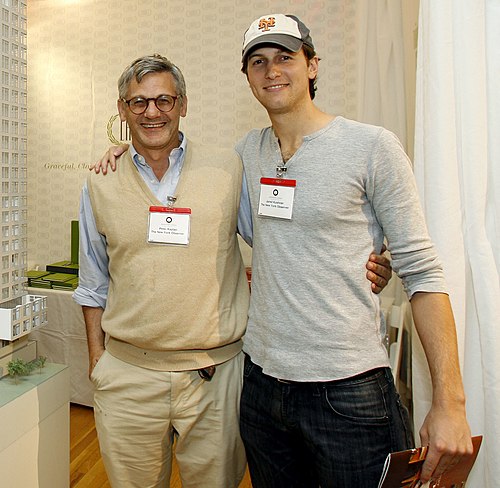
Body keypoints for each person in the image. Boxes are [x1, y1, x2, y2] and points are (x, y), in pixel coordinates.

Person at [76, 53, 392, 488]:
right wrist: (98, 361)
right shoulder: (100, 181)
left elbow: (279, 237)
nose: (152, 112)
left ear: (183, 105)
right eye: (139, 103)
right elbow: (92, 283)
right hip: (129, 376)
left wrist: (368, 258)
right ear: (122, 109)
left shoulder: (229, 169)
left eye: (164, 100)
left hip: (216, 379)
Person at [234, 13, 473, 488]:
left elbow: (423, 272)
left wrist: (451, 404)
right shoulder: (245, 153)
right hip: (261, 386)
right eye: (258, 62)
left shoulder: (371, 147)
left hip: (348, 392)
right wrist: (127, 152)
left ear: (313, 65)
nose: (272, 71)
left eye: (285, 57)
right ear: (248, 78)